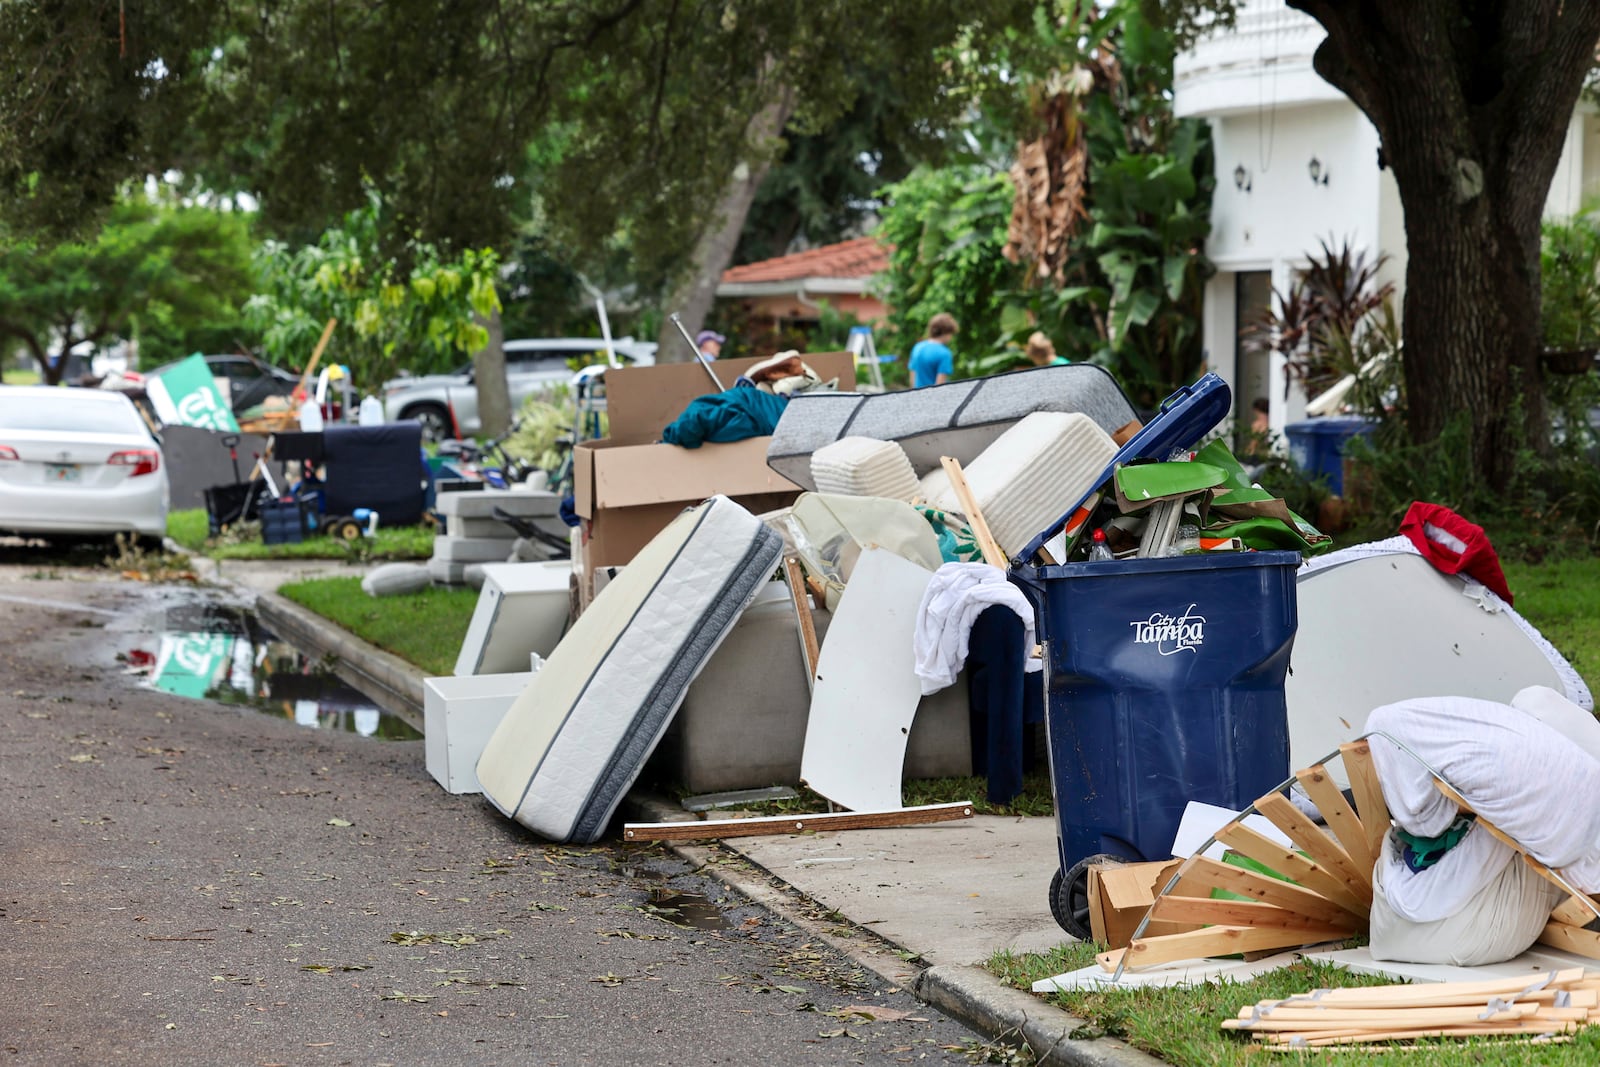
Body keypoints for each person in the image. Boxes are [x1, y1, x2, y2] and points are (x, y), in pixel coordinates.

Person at [909, 313, 958, 388]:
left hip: (918, 396)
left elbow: (912, 377)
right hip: (934, 398)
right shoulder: (944, 353)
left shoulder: (918, 347)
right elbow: (940, 385)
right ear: (946, 332)